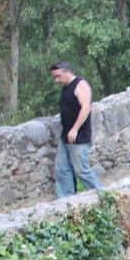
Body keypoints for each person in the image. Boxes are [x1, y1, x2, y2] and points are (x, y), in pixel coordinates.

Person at [50, 60, 104, 198]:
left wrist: (75, 129)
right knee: (61, 169)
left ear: (68, 72)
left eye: (58, 76)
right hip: (66, 136)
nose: (56, 80)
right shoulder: (66, 87)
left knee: (81, 170)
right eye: (54, 77)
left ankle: (100, 195)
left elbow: (86, 107)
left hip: (78, 136)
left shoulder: (81, 85)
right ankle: (66, 200)